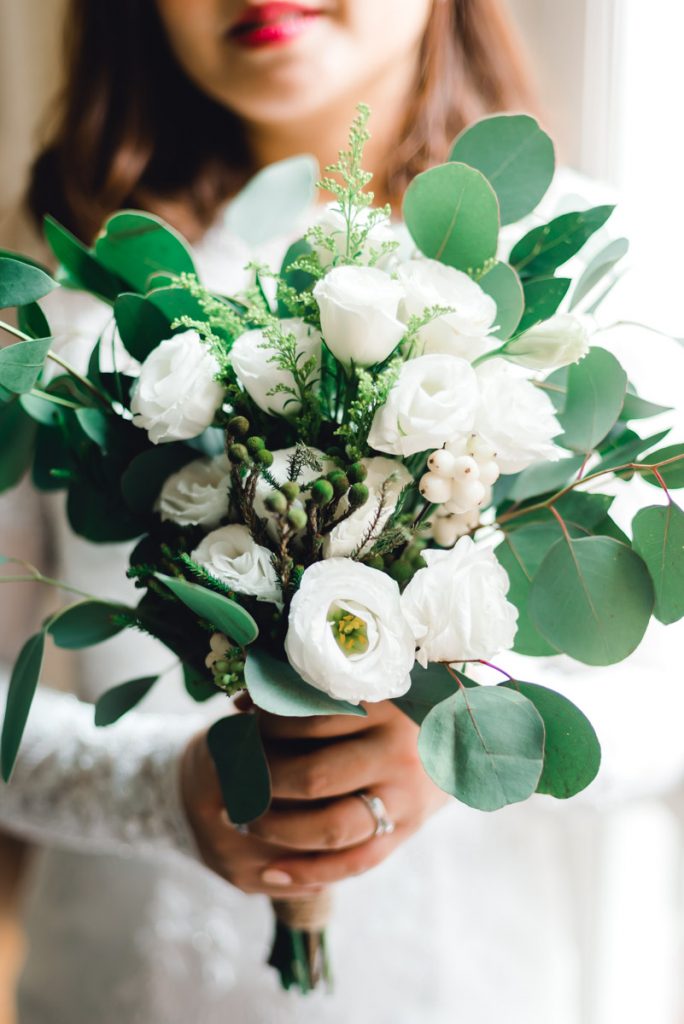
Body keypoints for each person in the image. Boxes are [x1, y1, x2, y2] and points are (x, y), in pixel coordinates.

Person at [0, 2, 655, 1022]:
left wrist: (466, 753)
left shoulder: (588, 282)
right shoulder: (54, 304)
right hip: (126, 982)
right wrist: (158, 791)